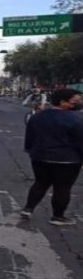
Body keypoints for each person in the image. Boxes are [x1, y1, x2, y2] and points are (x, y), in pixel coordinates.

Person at [21, 89, 83, 226]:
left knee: (40, 183)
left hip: (39, 157)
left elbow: (30, 136)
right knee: (62, 188)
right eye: (76, 101)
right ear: (63, 102)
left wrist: (30, 150)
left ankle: (28, 209)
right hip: (67, 160)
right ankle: (58, 217)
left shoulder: (37, 116)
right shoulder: (76, 120)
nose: (79, 103)